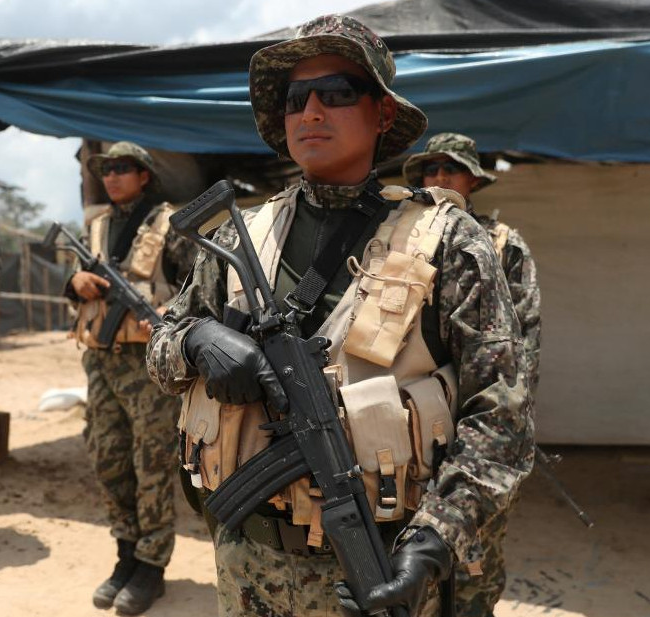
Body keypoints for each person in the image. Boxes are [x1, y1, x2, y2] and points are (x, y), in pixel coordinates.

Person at [146, 15, 534, 617]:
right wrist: (197, 340)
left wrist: (432, 546)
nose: (311, 112)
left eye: (338, 93)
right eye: (296, 98)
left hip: (380, 564)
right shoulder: (238, 236)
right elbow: (160, 341)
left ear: (382, 113)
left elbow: (502, 419)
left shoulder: (448, 242)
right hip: (247, 563)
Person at [403, 132, 542, 616]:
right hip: (413, 427)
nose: (439, 178)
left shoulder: (503, 246)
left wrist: (504, 435)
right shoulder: (404, 242)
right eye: (431, 169)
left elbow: (523, 350)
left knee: (474, 562)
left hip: (478, 430)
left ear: (473, 180)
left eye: (450, 169)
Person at [65, 141, 196, 614]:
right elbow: (78, 283)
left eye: (123, 169)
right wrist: (75, 284)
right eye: (107, 170)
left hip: (148, 369)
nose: (112, 176)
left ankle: (151, 566)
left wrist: (167, 313)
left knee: (152, 465)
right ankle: (125, 553)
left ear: (144, 176)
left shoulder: (170, 224)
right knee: (107, 457)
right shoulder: (97, 226)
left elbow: (198, 290)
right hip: (101, 361)